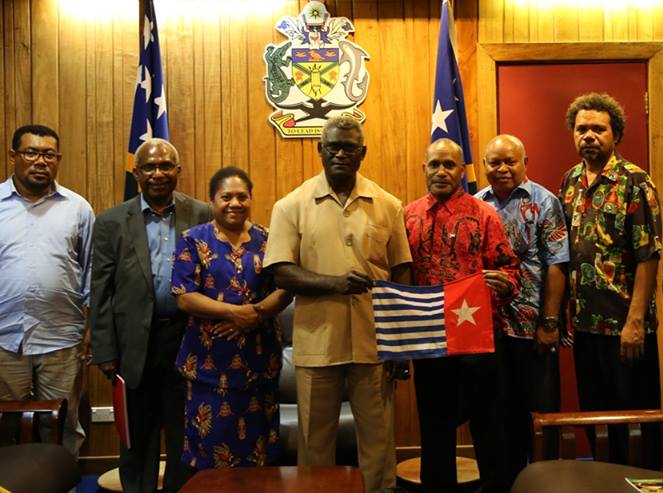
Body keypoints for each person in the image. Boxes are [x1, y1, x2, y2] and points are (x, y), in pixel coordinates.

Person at [265, 116, 411, 493]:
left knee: (379, 439)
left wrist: (399, 344)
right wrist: (335, 284)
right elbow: (281, 272)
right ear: (320, 150)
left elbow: (402, 272)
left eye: (349, 147)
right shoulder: (291, 205)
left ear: (363, 153)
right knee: (314, 440)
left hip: (374, 343)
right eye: (333, 147)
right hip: (317, 343)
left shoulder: (388, 205)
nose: (341, 154)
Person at [0, 124, 93, 454]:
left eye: (49, 154)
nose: (40, 161)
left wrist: (92, 330)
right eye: (31, 153)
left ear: (58, 160)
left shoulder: (78, 209)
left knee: (61, 431)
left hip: (62, 341)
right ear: (13, 156)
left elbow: (91, 278)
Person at [91, 138, 211, 492]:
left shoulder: (201, 213)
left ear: (177, 171)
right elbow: (101, 290)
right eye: (149, 167)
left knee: (182, 433)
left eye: (164, 166)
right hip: (133, 345)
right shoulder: (111, 222)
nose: (157, 174)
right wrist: (105, 350)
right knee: (136, 437)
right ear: (136, 173)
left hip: (185, 338)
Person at [405, 138, 520, 493]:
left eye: (449, 165)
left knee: (488, 426)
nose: (441, 171)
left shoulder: (485, 215)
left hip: (478, 338)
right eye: (435, 164)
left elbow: (510, 271)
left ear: (461, 171)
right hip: (429, 340)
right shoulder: (407, 217)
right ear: (424, 168)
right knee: (434, 427)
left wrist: (501, 283)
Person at [557, 93, 662, 467]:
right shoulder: (569, 181)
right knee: (595, 416)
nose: (589, 135)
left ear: (615, 133)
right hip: (586, 325)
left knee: (632, 421)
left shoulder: (635, 181)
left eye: (598, 129)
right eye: (582, 129)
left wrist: (635, 322)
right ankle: (602, 479)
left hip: (625, 328)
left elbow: (649, 256)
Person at [171, 166, 291, 469]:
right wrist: (235, 313)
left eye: (242, 196)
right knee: (210, 452)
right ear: (212, 201)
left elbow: (286, 288)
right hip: (208, 367)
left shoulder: (269, 239)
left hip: (259, 364)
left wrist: (257, 314)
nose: (234, 203)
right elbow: (184, 297)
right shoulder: (192, 240)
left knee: (259, 452)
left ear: (251, 199)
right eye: (226, 197)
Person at [474, 134, 569, 473]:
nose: (502, 169)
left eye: (510, 161)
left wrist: (549, 323)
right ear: (484, 166)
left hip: (533, 329)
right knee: (497, 413)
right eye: (494, 162)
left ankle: (545, 478)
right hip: (489, 330)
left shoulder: (545, 202)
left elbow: (557, 265)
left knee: (539, 413)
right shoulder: (475, 204)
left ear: (524, 163)